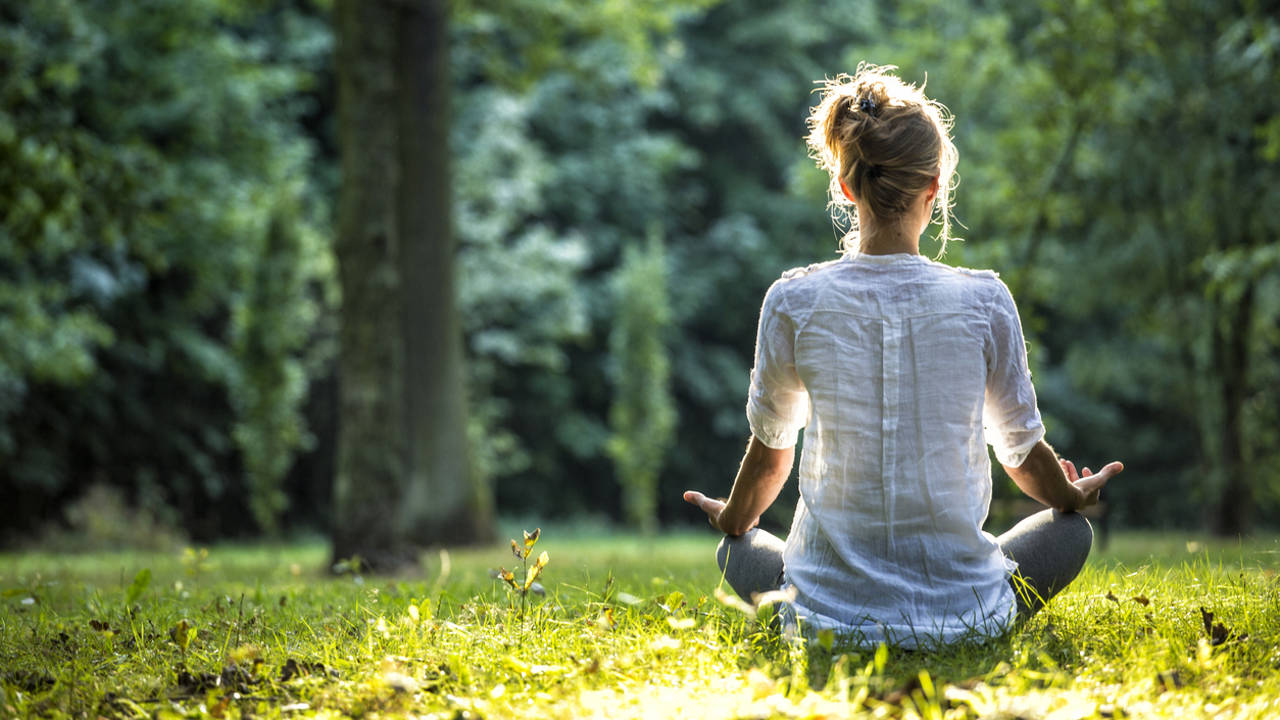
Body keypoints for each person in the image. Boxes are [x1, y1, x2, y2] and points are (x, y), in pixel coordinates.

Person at [682, 64, 1123, 647]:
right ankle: (970, 617)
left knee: (734, 548)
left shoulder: (793, 300)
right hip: (964, 615)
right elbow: (1020, 454)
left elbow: (770, 459)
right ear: (933, 187)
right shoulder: (984, 300)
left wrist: (734, 519)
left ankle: (819, 601)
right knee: (1071, 536)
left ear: (846, 186)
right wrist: (1069, 495)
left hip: (825, 622)